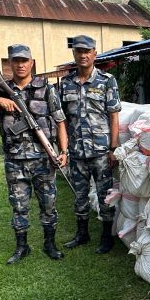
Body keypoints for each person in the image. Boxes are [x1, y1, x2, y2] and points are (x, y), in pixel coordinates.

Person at [0, 44, 69, 262]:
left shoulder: (46, 88)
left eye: (24, 60)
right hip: (15, 160)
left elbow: (60, 121)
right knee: (19, 206)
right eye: (16, 61)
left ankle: (50, 244)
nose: (21, 65)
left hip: (43, 159)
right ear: (10, 64)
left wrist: (64, 151)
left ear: (31, 63)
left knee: (48, 205)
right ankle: (22, 247)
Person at [58, 35, 121, 254]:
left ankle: (106, 236)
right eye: (79, 51)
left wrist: (113, 148)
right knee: (80, 194)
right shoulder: (66, 83)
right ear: (74, 54)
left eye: (87, 51)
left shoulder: (107, 80)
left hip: (101, 150)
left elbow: (114, 116)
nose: (83, 55)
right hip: (77, 151)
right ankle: (82, 233)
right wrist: (64, 149)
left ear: (94, 54)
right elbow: (62, 119)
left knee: (105, 194)